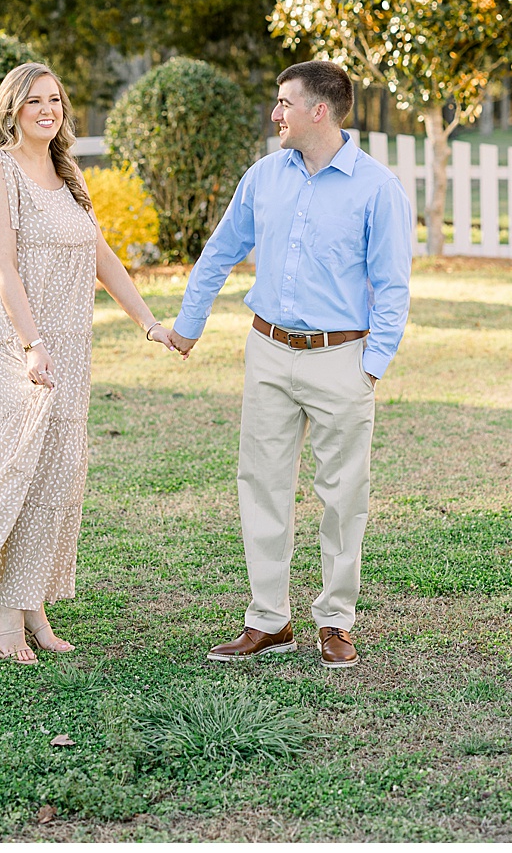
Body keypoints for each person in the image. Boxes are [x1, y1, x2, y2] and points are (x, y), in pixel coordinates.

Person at [0, 63, 176, 662]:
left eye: (56, 99)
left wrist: (148, 322)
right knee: (25, 460)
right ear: (12, 109)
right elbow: (1, 265)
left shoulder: (66, 173)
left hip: (72, 341)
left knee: (62, 465)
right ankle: (5, 606)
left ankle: (27, 597)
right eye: (34, 100)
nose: (48, 109)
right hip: (21, 338)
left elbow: (102, 255)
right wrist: (32, 343)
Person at [166, 61, 412, 669]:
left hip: (341, 358)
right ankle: (268, 622)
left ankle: (334, 620)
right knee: (262, 485)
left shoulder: (376, 188)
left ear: (319, 110)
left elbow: (393, 285)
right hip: (268, 352)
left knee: (342, 495)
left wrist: (370, 367)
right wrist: (187, 327)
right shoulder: (263, 177)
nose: (275, 114)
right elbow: (220, 250)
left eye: (284, 103)